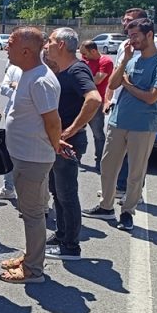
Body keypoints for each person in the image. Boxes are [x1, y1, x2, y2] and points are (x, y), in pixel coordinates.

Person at [83, 18, 157, 231]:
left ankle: (127, 212)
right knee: (107, 166)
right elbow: (113, 84)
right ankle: (106, 206)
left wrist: (128, 84)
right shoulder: (131, 61)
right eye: (130, 36)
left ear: (149, 35)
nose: (132, 40)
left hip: (143, 126)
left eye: (135, 36)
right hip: (118, 121)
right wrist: (123, 62)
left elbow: (151, 97)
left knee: (135, 172)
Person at [0, 27, 63, 284]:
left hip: (33, 158)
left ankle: (34, 269)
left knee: (34, 214)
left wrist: (54, 145)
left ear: (26, 51)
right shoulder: (29, 74)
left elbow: (53, 122)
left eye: (11, 43)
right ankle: (30, 257)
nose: (6, 47)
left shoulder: (40, 80)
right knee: (30, 212)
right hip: (25, 155)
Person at [40, 29, 100, 261]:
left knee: (67, 194)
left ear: (62, 45)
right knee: (57, 191)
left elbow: (93, 99)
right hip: (57, 142)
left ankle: (71, 247)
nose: (47, 45)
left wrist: (71, 130)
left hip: (68, 143)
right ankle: (62, 234)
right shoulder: (63, 69)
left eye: (51, 41)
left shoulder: (77, 70)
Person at [81, 39, 113, 171]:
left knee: (98, 134)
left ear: (93, 51)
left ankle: (100, 161)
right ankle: (76, 157)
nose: (83, 56)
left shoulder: (106, 62)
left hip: (96, 103)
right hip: (81, 101)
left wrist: (81, 79)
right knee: (77, 130)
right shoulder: (85, 60)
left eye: (85, 54)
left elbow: (98, 80)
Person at [0, 63, 22, 200]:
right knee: (8, 151)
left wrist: (18, 88)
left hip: (30, 119)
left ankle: (28, 193)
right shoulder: (13, 68)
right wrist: (20, 91)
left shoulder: (40, 67)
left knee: (26, 156)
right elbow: (3, 88)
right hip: (11, 115)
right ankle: (8, 188)